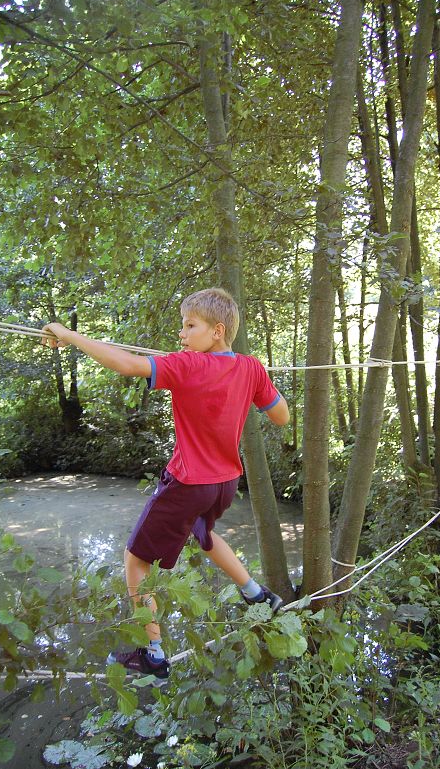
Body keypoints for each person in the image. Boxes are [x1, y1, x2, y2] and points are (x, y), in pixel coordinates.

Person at [42, 287, 290, 682]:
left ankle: (152, 655)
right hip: (225, 482)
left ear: (217, 331)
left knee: (135, 561)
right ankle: (255, 593)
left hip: (188, 483)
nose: (181, 334)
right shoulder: (251, 367)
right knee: (204, 532)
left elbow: (126, 364)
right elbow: (281, 416)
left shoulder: (187, 364)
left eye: (190, 326)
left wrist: (69, 335)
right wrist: (257, 386)